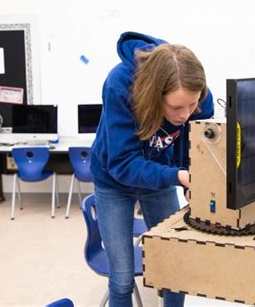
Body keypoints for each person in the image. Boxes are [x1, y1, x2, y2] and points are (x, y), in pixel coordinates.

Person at [90, 31, 214, 307]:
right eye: (176, 107)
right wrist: (177, 176)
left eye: (191, 105)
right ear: (155, 95)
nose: (185, 114)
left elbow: (195, 138)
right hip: (113, 180)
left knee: (175, 266)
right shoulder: (120, 87)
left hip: (158, 171)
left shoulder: (197, 93)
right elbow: (123, 163)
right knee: (121, 278)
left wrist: (190, 176)